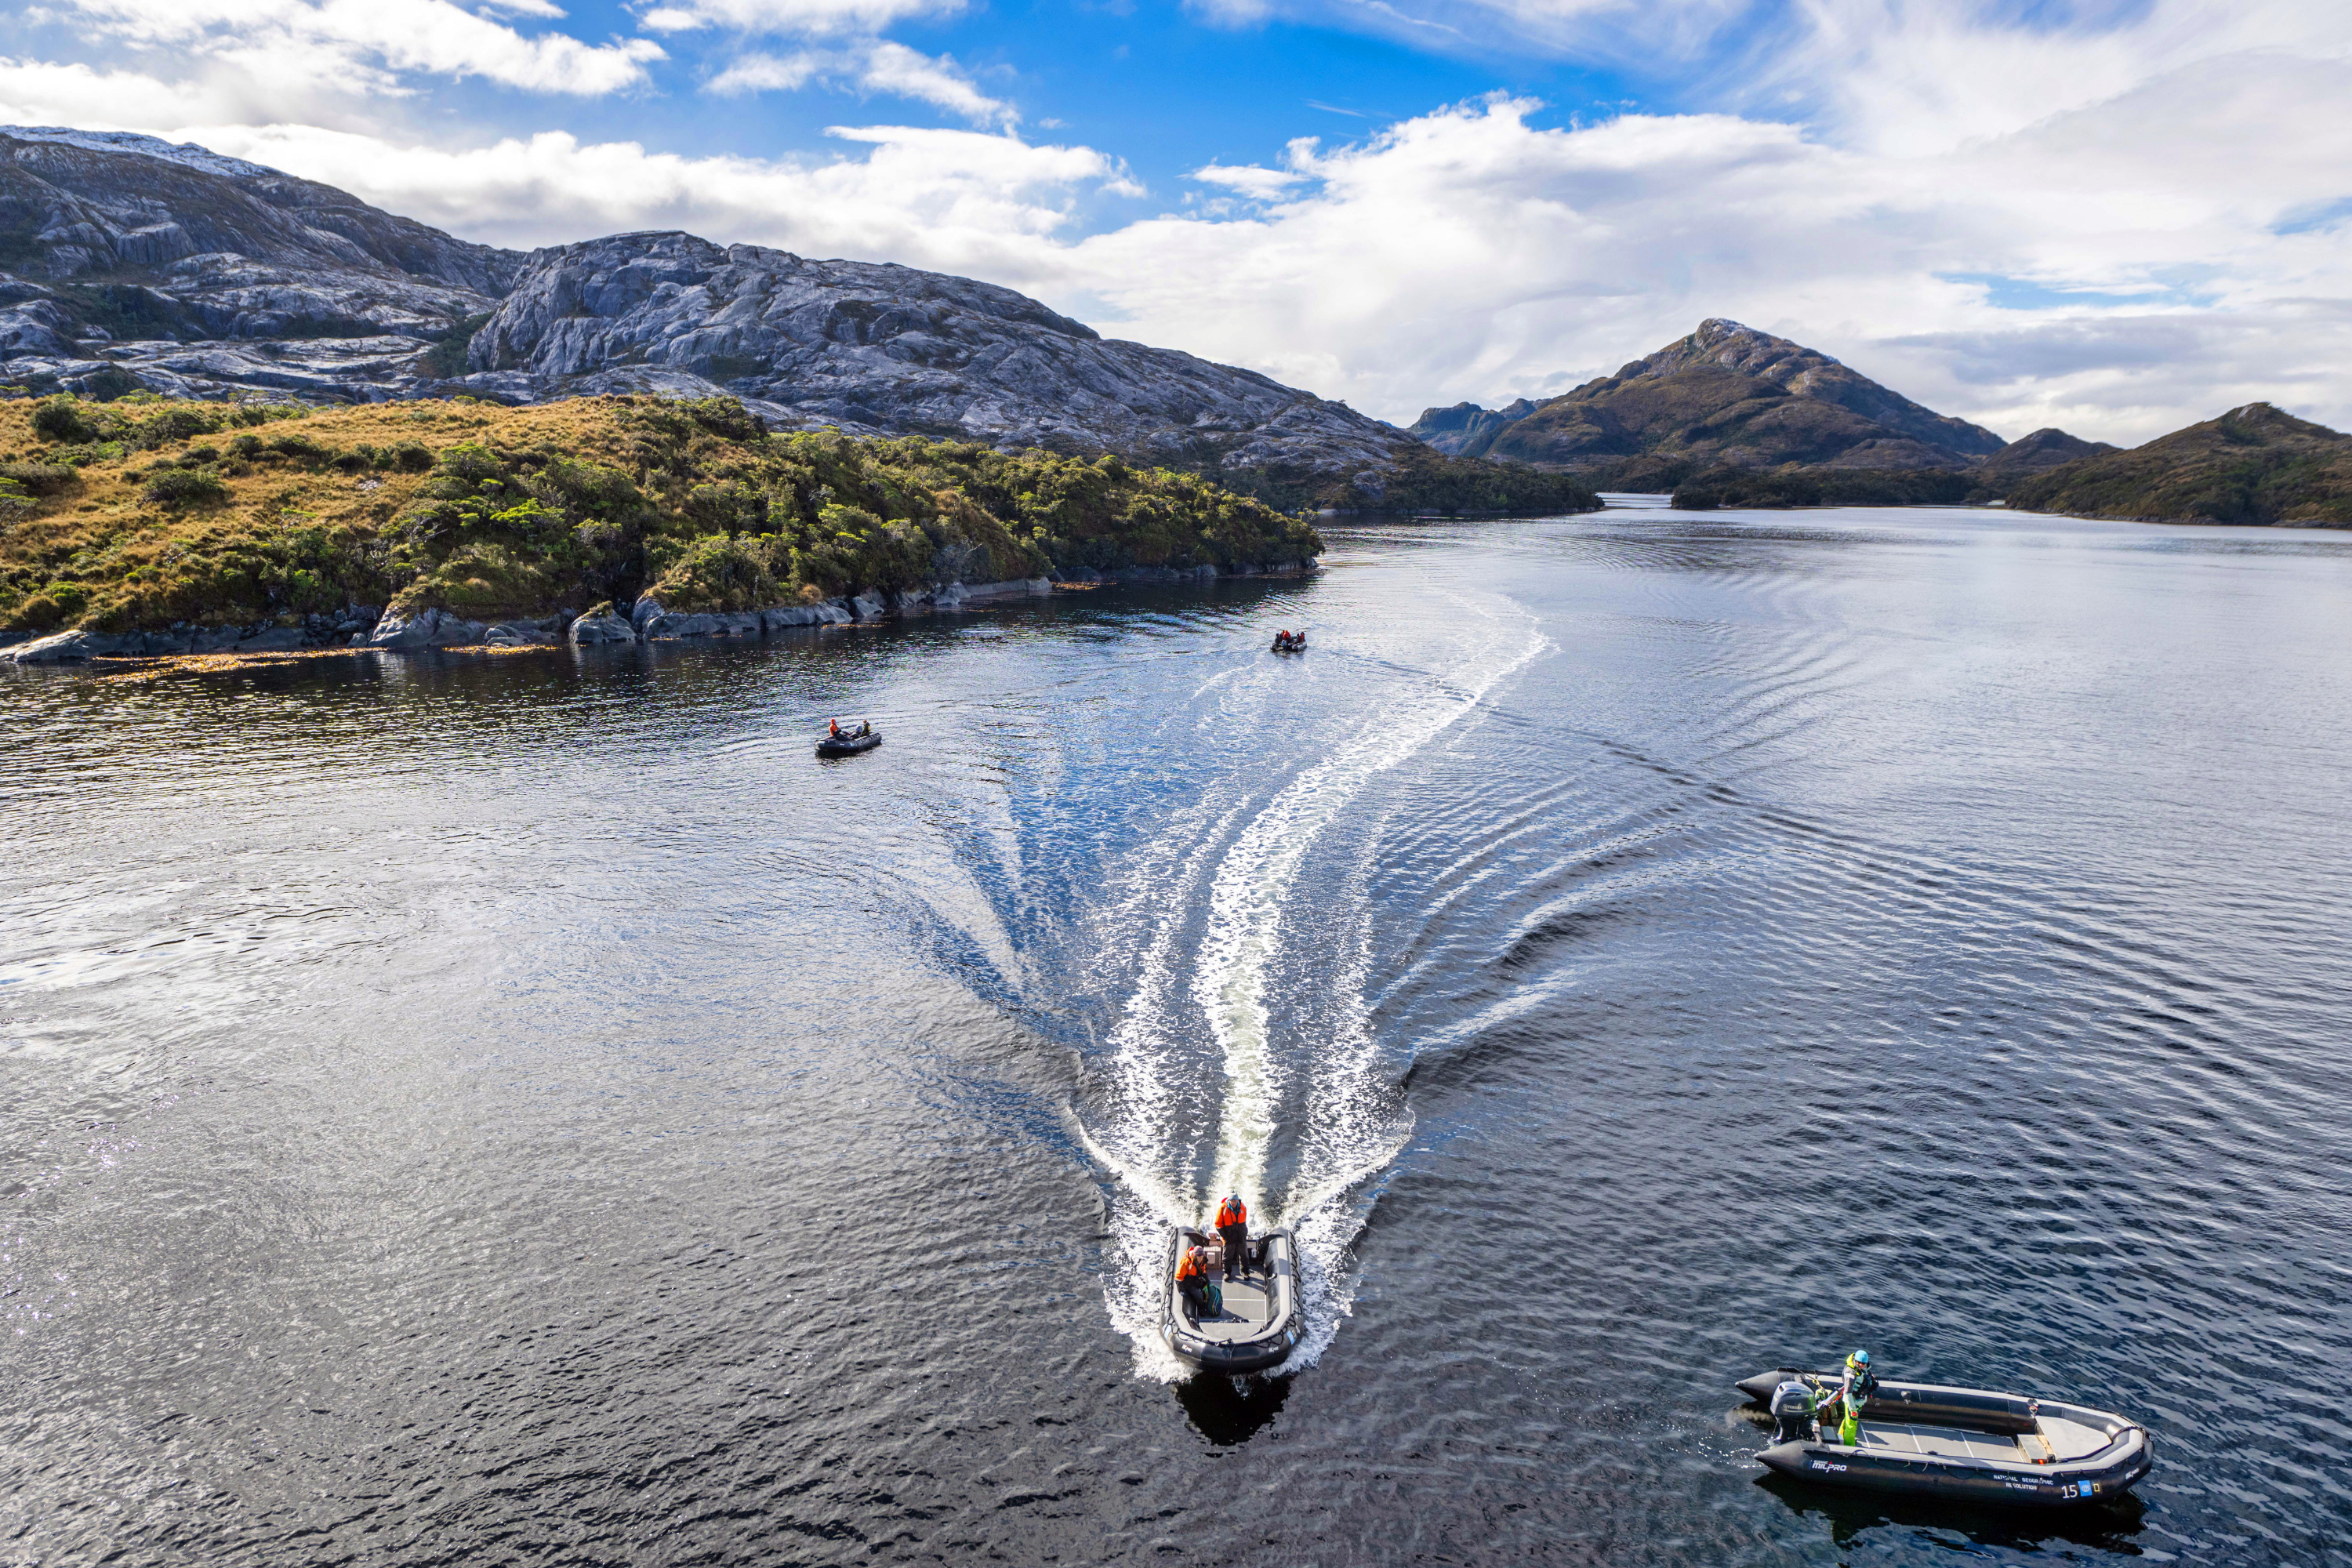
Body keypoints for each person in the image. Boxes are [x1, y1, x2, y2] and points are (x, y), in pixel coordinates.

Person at [1822, 1349, 1877, 1445]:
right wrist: (1852, 1409)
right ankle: (1849, 1446)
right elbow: (1847, 1392)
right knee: (1851, 1426)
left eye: (1863, 1363)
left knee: (1847, 1421)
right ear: (1855, 1360)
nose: (1861, 1365)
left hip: (1859, 1401)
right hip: (1853, 1403)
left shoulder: (1864, 1370)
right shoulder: (1851, 1372)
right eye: (1859, 1362)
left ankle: (1840, 1437)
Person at [1175, 1243, 1221, 1319]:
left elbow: (1203, 1270)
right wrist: (1181, 1290)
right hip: (1187, 1281)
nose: (1201, 1259)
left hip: (1195, 1278)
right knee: (1198, 1295)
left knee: (1206, 1286)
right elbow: (1179, 1277)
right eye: (1199, 1257)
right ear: (1195, 1256)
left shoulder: (1202, 1261)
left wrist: (1206, 1279)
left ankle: (1206, 1301)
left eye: (1202, 1257)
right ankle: (1201, 1310)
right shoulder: (1187, 1262)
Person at [1215, 1194, 1248, 1281]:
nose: (1233, 1203)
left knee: (1244, 1255)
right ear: (1229, 1201)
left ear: (1238, 1201)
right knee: (1227, 1256)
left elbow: (1244, 1221)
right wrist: (1225, 1236)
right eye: (1232, 1201)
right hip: (1229, 1236)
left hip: (1240, 1235)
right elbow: (1218, 1224)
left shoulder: (1243, 1207)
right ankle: (1227, 1273)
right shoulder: (1223, 1208)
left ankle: (1245, 1272)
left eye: (1235, 1201)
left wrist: (1244, 1233)